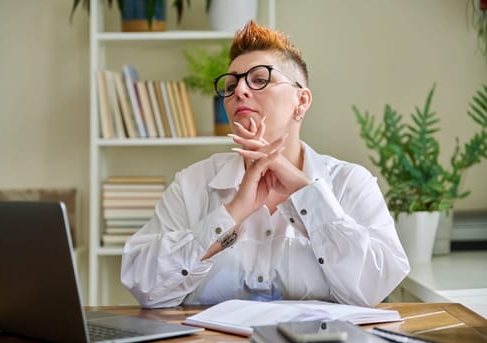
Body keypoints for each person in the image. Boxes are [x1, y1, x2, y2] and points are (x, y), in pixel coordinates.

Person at [121, 21, 410, 308]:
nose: (239, 91)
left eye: (259, 79)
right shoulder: (191, 184)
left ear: (302, 100)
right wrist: (232, 213)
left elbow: (375, 286)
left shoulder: (350, 182)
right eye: (231, 84)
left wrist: (305, 192)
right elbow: (147, 289)